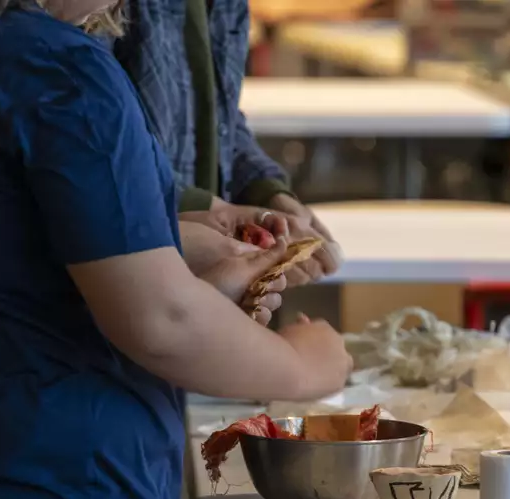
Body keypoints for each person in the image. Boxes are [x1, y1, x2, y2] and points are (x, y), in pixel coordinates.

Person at [0, 1, 352, 499]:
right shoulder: (61, 70)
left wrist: (181, 269)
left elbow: (10, 264)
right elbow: (163, 322)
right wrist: (305, 364)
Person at [112, 0, 344, 287]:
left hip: (195, 272)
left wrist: (266, 192)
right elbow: (99, 151)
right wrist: (213, 211)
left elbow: (222, 119)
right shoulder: (94, 12)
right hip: (128, 264)